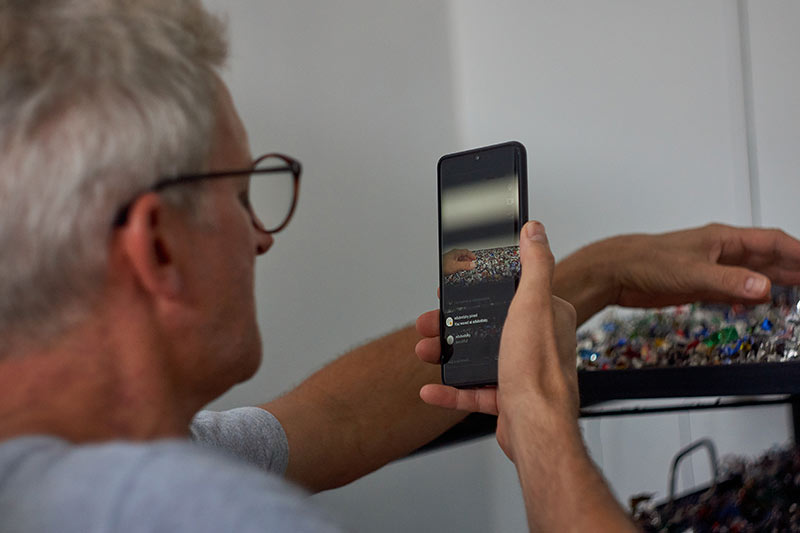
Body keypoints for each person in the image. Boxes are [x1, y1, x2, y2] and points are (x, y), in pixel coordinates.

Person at [3, 1, 800, 531]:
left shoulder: (122, 455)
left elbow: (330, 421)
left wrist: (601, 271)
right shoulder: (199, 512)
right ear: (159, 247)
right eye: (244, 196)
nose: (261, 237)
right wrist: (544, 426)